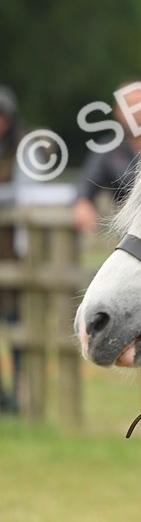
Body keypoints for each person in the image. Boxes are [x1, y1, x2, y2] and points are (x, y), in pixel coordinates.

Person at [73, 81, 141, 433]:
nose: (138, 113)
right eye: (129, 107)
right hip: (135, 258)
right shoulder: (111, 152)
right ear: (119, 114)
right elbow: (84, 187)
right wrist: (81, 205)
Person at [0, 86, 24, 412]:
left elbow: (25, 193)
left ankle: (20, 395)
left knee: (17, 326)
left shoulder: (25, 147)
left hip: (15, 254)